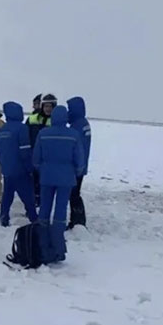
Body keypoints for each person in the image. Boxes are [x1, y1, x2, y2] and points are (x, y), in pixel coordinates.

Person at [33, 105, 84, 263]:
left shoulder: (43, 134)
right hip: (66, 178)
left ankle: (42, 244)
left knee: (45, 208)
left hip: (47, 177)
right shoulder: (73, 135)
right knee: (60, 211)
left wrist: (43, 170)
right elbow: (79, 159)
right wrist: (75, 172)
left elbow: (36, 159)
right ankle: (58, 247)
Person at [0, 101, 38, 227]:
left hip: (7, 168)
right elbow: (25, 151)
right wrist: (30, 167)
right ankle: (33, 218)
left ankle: (4, 216)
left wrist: (4, 165)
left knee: (7, 195)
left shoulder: (2, 130)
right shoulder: (22, 128)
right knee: (27, 195)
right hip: (20, 169)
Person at [26, 93, 57, 205]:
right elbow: (26, 136)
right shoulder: (32, 119)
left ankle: (43, 202)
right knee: (33, 180)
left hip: (48, 158)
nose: (48, 109)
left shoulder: (57, 121)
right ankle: (34, 200)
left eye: (51, 106)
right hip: (33, 154)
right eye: (46, 106)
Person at [66, 96, 92, 229]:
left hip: (76, 166)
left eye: (70, 109)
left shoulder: (77, 126)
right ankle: (77, 221)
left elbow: (74, 148)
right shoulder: (83, 123)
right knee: (75, 193)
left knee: (74, 194)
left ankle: (78, 221)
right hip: (81, 166)